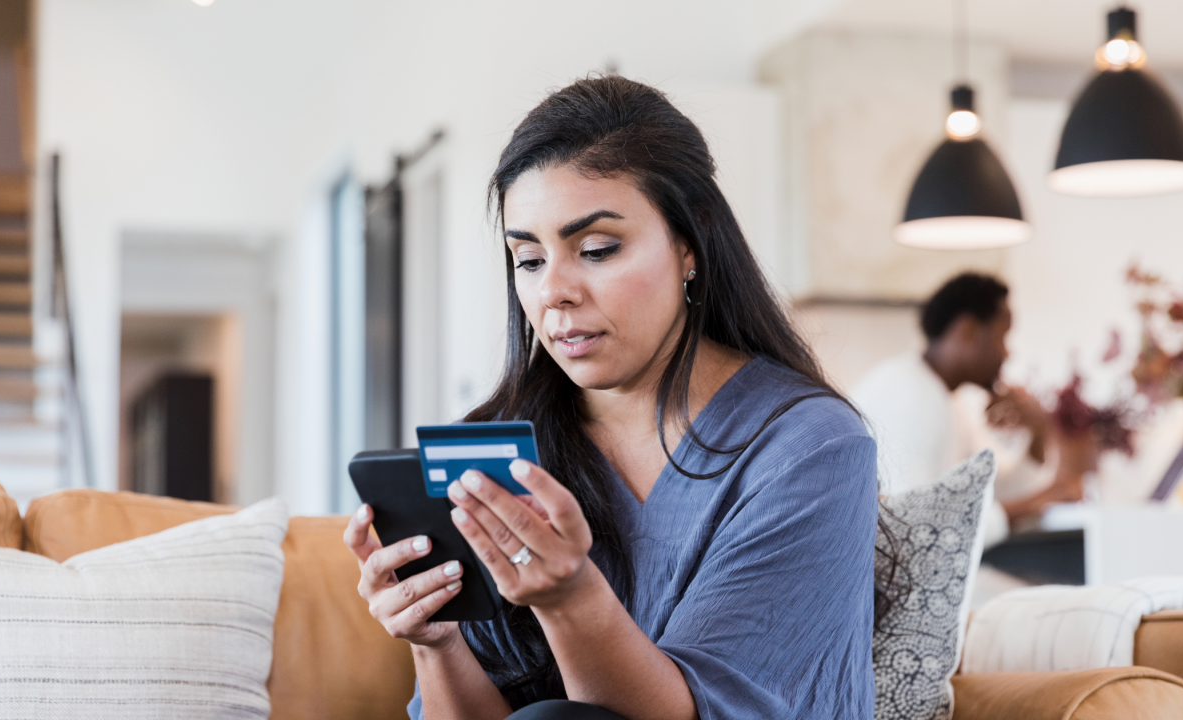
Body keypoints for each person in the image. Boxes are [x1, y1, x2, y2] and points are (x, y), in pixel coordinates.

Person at [344, 76, 885, 720]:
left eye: (596, 250)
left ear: (691, 243)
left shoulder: (809, 449)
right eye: (529, 260)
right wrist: (436, 642)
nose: (554, 293)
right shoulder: (499, 441)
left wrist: (572, 599)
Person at [852, 273, 1092, 548]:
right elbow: (914, 525)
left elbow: (996, 489)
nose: (1007, 353)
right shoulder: (909, 396)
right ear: (968, 330)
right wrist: (1032, 503)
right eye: (1002, 337)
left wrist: (1037, 432)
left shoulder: (949, 399)